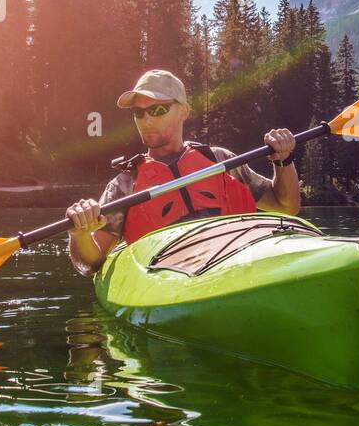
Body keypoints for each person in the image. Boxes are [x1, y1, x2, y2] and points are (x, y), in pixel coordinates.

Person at [67, 69, 298, 276]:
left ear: (183, 112)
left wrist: (283, 159)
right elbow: (91, 262)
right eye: (139, 113)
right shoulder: (125, 186)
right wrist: (80, 234)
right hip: (171, 277)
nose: (146, 120)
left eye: (158, 109)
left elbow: (286, 206)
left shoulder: (220, 160)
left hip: (237, 261)